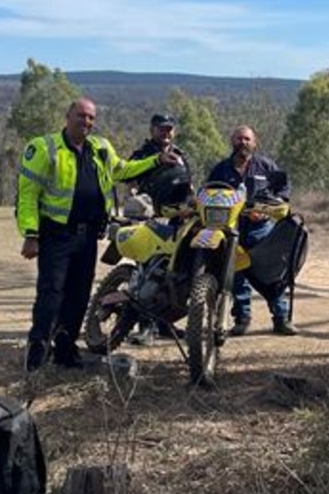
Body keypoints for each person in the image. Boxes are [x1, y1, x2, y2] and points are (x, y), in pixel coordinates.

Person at [17, 97, 178, 372]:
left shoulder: (99, 148)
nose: (86, 122)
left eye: (91, 117)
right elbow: (27, 195)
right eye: (81, 115)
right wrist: (31, 235)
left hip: (89, 235)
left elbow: (124, 170)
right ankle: (37, 354)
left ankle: (66, 352)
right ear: (67, 116)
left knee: (79, 296)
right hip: (56, 234)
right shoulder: (44, 148)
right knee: (51, 294)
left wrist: (157, 160)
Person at [206, 125, 297, 336]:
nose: (243, 142)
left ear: (254, 143)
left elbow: (283, 191)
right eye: (239, 138)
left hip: (261, 231)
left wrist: (270, 209)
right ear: (232, 141)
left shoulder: (266, 166)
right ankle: (242, 319)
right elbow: (209, 194)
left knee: (270, 274)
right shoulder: (220, 169)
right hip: (230, 231)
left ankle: (281, 318)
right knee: (236, 276)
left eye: (247, 139)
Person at [127, 113, 190, 346]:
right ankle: (146, 327)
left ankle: (165, 324)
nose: (166, 132)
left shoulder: (181, 154)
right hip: (149, 218)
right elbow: (130, 182)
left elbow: (188, 183)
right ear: (152, 129)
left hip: (177, 219)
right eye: (161, 128)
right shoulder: (141, 154)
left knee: (173, 273)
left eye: (169, 128)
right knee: (148, 272)